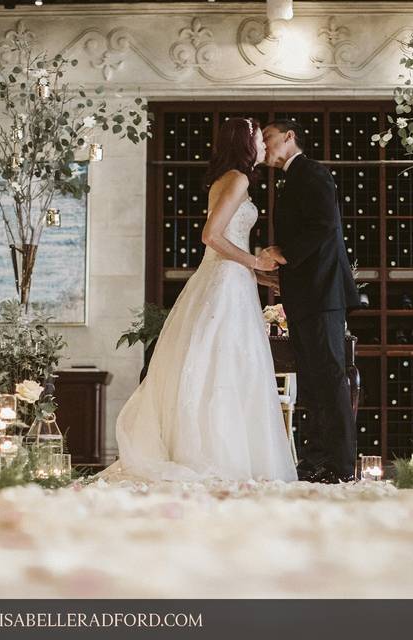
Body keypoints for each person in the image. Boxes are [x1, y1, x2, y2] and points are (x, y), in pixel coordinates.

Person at [100, 118, 297, 482]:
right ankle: (220, 458)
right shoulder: (237, 179)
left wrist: (261, 275)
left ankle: (219, 452)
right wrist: (255, 261)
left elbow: (224, 239)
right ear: (246, 144)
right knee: (226, 366)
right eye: (258, 139)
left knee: (220, 366)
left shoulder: (229, 180)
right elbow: (212, 236)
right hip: (225, 283)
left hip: (230, 279)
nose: (264, 146)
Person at [260, 119, 360, 483]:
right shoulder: (292, 176)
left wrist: (284, 254)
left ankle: (341, 465)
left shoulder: (313, 172)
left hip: (322, 293)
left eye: (268, 138)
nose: (264, 145)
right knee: (314, 380)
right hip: (304, 295)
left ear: (289, 137)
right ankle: (316, 460)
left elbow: (324, 225)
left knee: (331, 378)